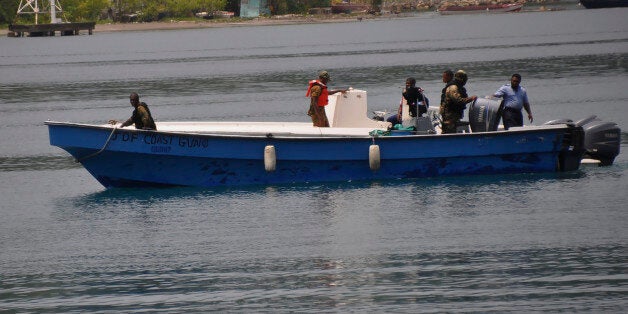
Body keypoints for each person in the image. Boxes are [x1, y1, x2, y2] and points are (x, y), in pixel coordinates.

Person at [440, 70, 477, 134]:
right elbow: (458, 100)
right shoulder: (453, 87)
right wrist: (471, 99)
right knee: (449, 134)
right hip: (449, 117)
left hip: (454, 116)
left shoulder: (458, 87)